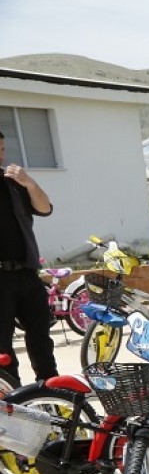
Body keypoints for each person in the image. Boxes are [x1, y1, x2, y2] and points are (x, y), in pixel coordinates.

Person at [0, 129, 57, 383]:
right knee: (2, 346)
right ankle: (13, 399)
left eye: (2, 149)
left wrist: (30, 183)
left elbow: (45, 208)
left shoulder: (13, 183)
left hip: (26, 273)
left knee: (40, 336)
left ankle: (51, 391)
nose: (1, 154)